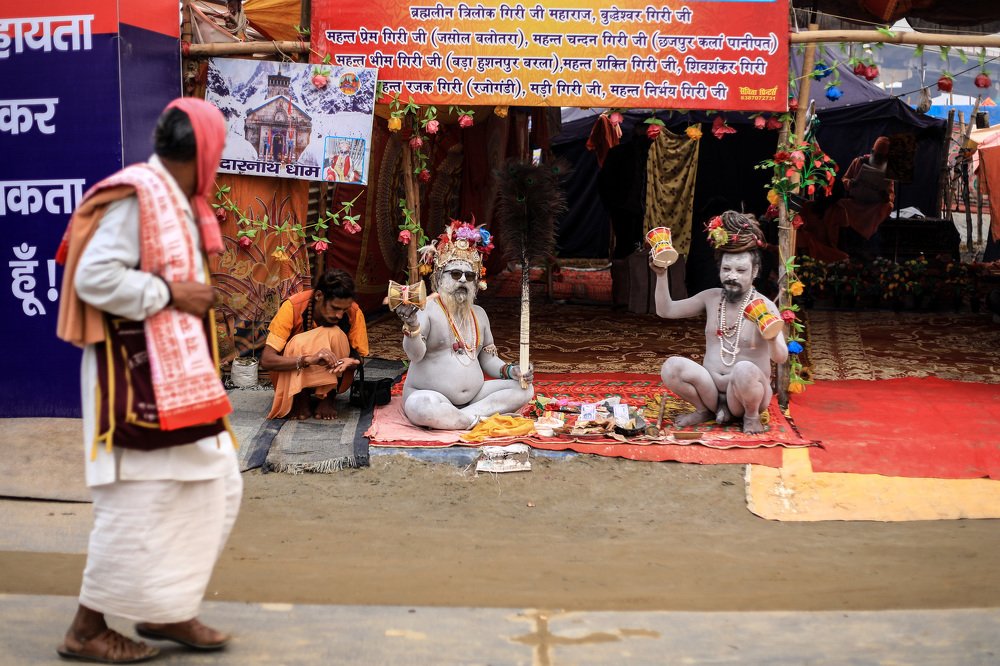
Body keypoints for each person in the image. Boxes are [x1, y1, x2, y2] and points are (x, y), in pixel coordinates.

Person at [54, 98, 242, 662]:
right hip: (135, 376)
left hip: (178, 375)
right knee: (139, 499)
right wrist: (171, 294)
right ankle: (86, 628)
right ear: (206, 153)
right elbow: (93, 278)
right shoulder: (139, 196)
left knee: (216, 483)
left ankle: (168, 609)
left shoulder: (178, 199)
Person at [650, 211, 788, 434]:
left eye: (740, 270)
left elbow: (780, 357)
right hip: (710, 391)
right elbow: (666, 310)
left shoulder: (765, 306)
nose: (732, 275)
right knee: (672, 367)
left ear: (755, 272)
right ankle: (704, 409)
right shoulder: (711, 297)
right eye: (726, 269)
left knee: (743, 369)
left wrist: (771, 335)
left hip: (744, 394)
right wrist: (661, 274)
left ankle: (751, 418)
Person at [393, 219, 533, 429]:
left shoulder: (479, 314)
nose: (463, 281)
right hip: (431, 396)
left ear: (476, 283)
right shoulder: (427, 309)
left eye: (469, 276)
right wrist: (412, 324)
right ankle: (470, 418)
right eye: (456, 274)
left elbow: (488, 360)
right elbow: (415, 355)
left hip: (475, 397)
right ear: (439, 277)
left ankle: (462, 418)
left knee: (525, 389)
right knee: (421, 406)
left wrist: (512, 371)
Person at [260, 268, 367, 420]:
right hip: (291, 380)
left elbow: (360, 358)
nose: (339, 315)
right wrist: (308, 359)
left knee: (335, 333)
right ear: (318, 296)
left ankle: (327, 398)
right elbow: (267, 360)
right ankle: (300, 398)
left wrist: (351, 361)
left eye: (344, 310)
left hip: (336, 379)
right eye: (335, 308)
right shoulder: (293, 306)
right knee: (298, 341)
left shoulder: (354, 311)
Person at [831, 136, 895, 247]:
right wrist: (851, 183)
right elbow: (844, 179)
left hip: (873, 207)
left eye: (883, 157)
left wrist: (885, 196)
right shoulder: (858, 162)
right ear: (872, 151)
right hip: (855, 203)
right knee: (840, 204)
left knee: (888, 205)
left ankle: (865, 240)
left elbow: (891, 194)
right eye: (878, 156)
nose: (880, 160)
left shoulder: (889, 170)